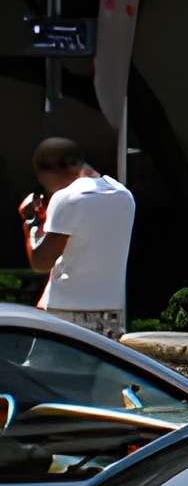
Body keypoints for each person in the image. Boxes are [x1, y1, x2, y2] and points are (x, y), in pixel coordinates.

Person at [22, 138, 134, 339]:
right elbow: (84, 240)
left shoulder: (67, 197)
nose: (47, 188)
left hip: (65, 311)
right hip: (112, 312)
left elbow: (41, 262)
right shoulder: (124, 195)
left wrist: (30, 222)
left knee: (47, 371)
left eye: (43, 179)